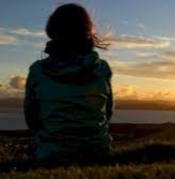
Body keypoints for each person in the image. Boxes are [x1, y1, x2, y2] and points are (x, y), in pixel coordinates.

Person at [24, 3, 113, 165]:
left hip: (51, 153)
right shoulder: (102, 68)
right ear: (87, 30)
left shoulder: (38, 70)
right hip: (97, 152)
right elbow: (106, 113)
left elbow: (32, 117)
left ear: (52, 30)